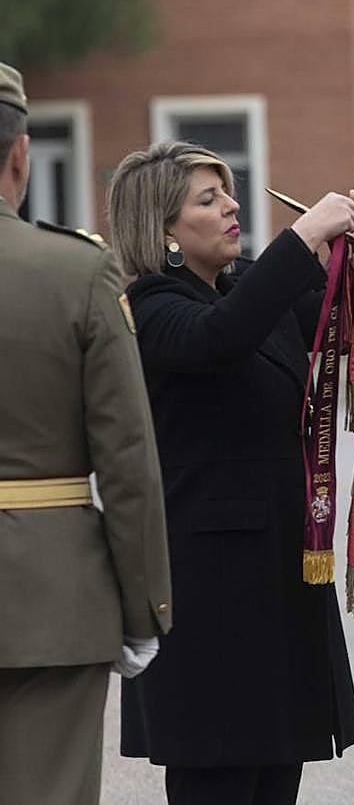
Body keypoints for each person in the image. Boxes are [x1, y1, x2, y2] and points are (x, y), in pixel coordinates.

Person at [108, 141, 354, 805]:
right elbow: (219, 338)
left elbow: (343, 309)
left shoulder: (245, 289)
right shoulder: (150, 309)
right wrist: (303, 236)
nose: (233, 206)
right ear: (165, 230)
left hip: (277, 577)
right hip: (207, 597)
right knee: (220, 780)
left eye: (227, 192)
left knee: (273, 773)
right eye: (208, 199)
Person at [0, 62, 172, 805]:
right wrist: (144, 611)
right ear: (19, 155)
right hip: (53, 598)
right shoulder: (76, 271)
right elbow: (127, 459)